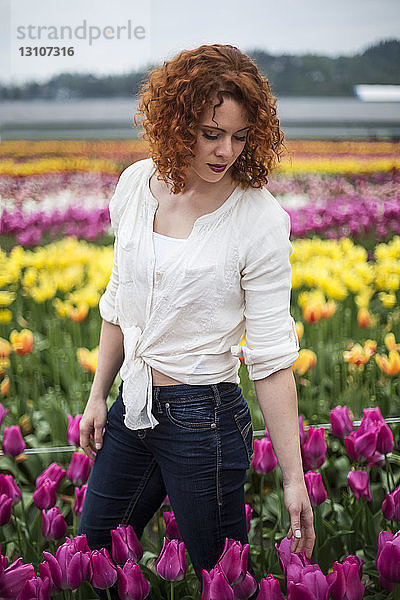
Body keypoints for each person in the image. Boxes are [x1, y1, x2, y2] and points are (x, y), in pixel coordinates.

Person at [78, 43, 315, 599]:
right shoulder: (137, 186)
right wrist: (96, 395)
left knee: (220, 580)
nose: (226, 150)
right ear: (176, 120)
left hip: (203, 420)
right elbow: (120, 301)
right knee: (93, 554)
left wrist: (293, 477)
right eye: (212, 133)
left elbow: (274, 358)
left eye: (238, 135)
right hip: (133, 409)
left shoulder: (258, 218)